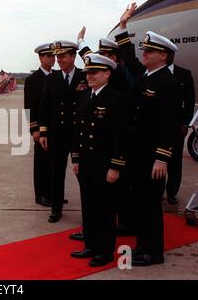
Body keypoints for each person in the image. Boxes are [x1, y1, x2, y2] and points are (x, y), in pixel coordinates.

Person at [116, 3, 181, 266]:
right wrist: (123, 27)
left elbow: (169, 124)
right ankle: (142, 246)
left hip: (153, 158)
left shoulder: (168, 83)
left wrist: (162, 158)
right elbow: (129, 58)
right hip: (138, 154)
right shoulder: (146, 76)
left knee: (151, 206)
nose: (145, 53)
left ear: (163, 56)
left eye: (150, 50)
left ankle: (154, 252)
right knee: (140, 203)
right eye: (145, 49)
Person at [70, 54, 129, 267]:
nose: (89, 76)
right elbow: (78, 131)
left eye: (94, 72)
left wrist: (116, 166)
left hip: (105, 166)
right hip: (85, 164)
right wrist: (75, 158)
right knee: (89, 207)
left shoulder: (117, 99)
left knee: (105, 210)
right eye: (88, 72)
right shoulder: (84, 97)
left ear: (107, 73)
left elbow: (121, 137)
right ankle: (91, 245)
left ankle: (105, 252)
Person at [39, 40, 89, 223]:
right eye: (57, 56)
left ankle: (89, 211)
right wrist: (43, 132)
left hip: (79, 134)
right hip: (57, 133)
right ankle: (56, 209)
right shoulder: (52, 78)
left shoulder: (85, 76)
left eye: (63, 56)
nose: (59, 59)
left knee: (82, 174)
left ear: (73, 56)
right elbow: (44, 107)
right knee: (57, 173)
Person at [24, 43, 55, 207]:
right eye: (49, 56)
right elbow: (28, 107)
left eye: (54, 56)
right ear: (41, 58)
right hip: (40, 129)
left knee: (54, 162)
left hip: (55, 127)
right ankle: (41, 195)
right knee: (42, 163)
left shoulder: (57, 77)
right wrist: (34, 129)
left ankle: (53, 193)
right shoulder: (32, 80)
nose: (52, 59)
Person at [165, 62, 195, 205]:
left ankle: (172, 193)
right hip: (158, 126)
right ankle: (156, 192)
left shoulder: (184, 74)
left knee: (175, 162)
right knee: (157, 160)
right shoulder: (154, 73)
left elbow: (190, 101)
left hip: (177, 126)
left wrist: (186, 123)